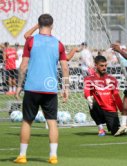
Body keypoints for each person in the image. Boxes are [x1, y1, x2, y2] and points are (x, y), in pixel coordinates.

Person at [14, 14, 69, 164]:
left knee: (27, 121)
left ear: (38, 24)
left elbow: (23, 66)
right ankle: (53, 156)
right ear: (52, 25)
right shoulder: (59, 44)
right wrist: (66, 88)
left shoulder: (30, 41)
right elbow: (65, 68)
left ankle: (22, 156)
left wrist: (18, 86)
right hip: (50, 89)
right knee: (52, 122)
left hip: (32, 87)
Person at [84, 55, 123, 136]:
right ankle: (101, 129)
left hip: (111, 110)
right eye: (101, 66)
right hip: (99, 110)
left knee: (117, 133)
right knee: (91, 101)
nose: (104, 68)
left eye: (105, 65)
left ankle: (114, 126)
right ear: (96, 65)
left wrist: (123, 112)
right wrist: (88, 97)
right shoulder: (89, 79)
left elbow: (116, 96)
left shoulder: (112, 79)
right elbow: (86, 91)